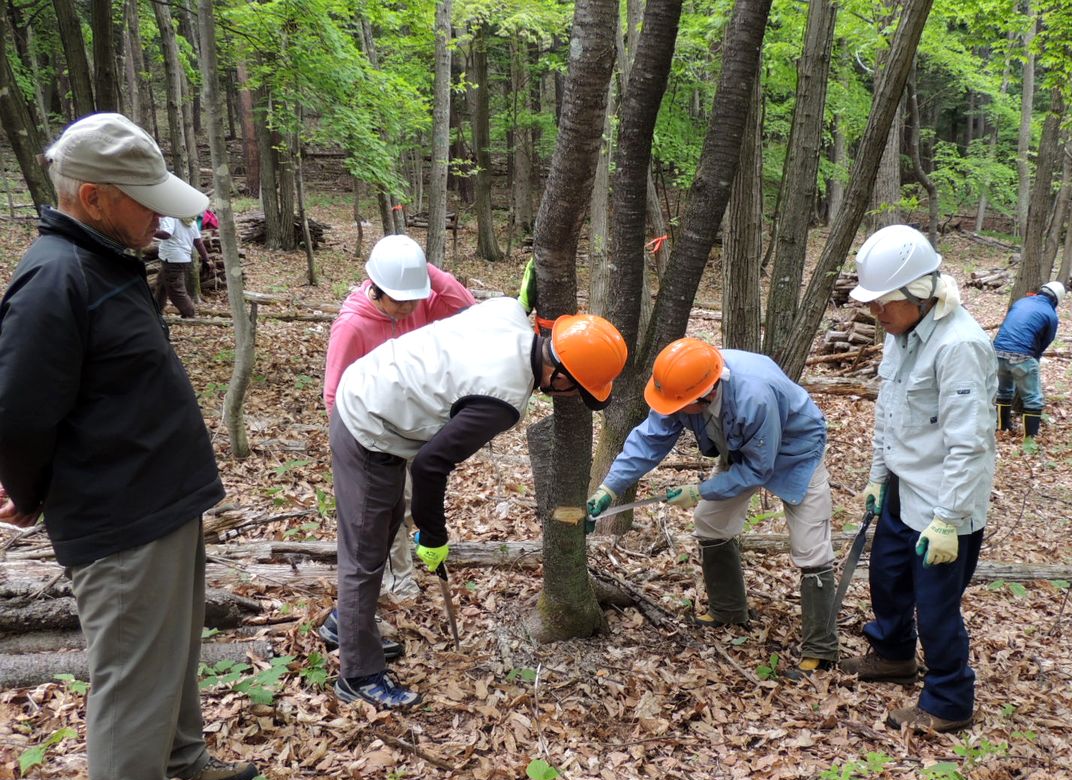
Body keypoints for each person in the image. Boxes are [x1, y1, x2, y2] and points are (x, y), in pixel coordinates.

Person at [0, 113, 256, 780]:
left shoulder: (108, 259)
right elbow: (16, 409)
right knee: (133, 671)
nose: (161, 215)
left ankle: (181, 754)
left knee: (174, 646)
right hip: (117, 514)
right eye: (145, 199)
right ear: (93, 197)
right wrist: (27, 490)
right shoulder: (55, 279)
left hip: (163, 496)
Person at [329, 298, 627, 708]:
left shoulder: (506, 311)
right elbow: (432, 465)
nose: (572, 396)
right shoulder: (502, 401)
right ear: (560, 374)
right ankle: (358, 674)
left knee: (378, 533)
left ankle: (345, 626)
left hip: (378, 384)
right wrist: (433, 535)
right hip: (369, 421)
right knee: (364, 553)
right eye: (577, 388)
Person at [586, 338, 838, 673]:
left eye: (679, 405)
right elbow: (648, 439)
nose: (671, 410)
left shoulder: (754, 395)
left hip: (797, 452)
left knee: (810, 547)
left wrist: (701, 489)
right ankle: (728, 609)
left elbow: (758, 469)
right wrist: (608, 487)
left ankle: (820, 650)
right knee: (710, 522)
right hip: (739, 451)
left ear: (705, 394)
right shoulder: (679, 387)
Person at [838, 224, 997, 734]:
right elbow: (889, 413)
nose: (875, 313)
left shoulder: (960, 346)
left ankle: (950, 699)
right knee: (887, 581)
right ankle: (893, 654)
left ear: (919, 293)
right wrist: (877, 477)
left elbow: (970, 444)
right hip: (903, 490)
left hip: (945, 502)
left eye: (883, 302)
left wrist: (949, 519)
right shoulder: (902, 335)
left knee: (935, 606)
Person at [318, 235, 474, 657]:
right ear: (375, 287)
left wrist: (429, 273)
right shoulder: (353, 324)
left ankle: (349, 617)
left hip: (409, 430)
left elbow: (466, 310)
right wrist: (355, 453)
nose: (408, 309)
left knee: (393, 519)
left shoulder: (419, 300)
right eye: (399, 301)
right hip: (367, 437)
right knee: (370, 536)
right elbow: (334, 393)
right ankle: (363, 621)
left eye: (413, 298)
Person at [994, 281, 1062, 437]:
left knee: (1003, 392)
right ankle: (1029, 439)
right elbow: (1046, 341)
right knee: (1033, 398)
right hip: (1023, 356)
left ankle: (1001, 428)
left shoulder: (1021, 302)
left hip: (997, 352)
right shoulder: (1050, 315)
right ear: (1056, 299)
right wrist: (1034, 358)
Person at [154, 212, 210, 318]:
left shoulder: (171, 216)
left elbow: (166, 234)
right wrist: (206, 259)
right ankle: (156, 310)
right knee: (161, 284)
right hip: (179, 258)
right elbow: (198, 242)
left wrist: (150, 231)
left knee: (175, 289)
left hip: (172, 258)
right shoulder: (189, 220)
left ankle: (189, 313)